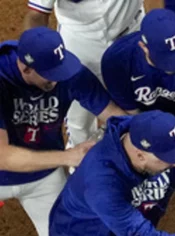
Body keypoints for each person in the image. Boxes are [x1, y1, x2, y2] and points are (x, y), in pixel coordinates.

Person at [0, 27, 127, 236]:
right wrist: (69, 157)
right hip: (19, 165)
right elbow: (3, 156)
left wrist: (145, 135)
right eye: (49, 74)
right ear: (25, 67)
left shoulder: (66, 71)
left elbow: (114, 114)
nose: (57, 79)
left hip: (43, 177)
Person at [23, 0, 145, 145]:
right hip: (79, 44)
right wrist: (33, 55)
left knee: (140, 110)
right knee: (79, 124)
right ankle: (79, 162)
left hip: (131, 37)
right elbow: (37, 14)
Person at [101, 9, 175, 134]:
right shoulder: (117, 60)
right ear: (143, 47)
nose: (173, 66)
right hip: (145, 122)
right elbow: (131, 115)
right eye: (164, 60)